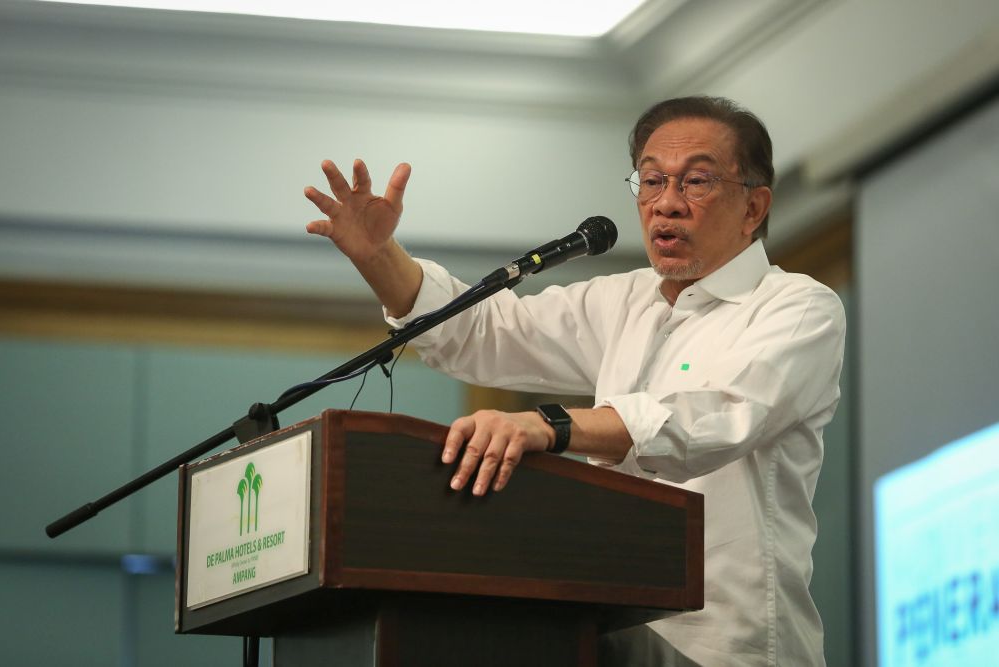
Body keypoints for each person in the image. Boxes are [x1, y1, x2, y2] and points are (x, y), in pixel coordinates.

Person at [303, 96, 845, 666]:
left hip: (727, 648)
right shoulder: (622, 300)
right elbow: (483, 333)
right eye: (652, 180)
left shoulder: (796, 307)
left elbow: (712, 419)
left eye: (698, 182)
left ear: (753, 206)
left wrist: (549, 425)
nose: (667, 204)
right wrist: (377, 255)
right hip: (607, 627)